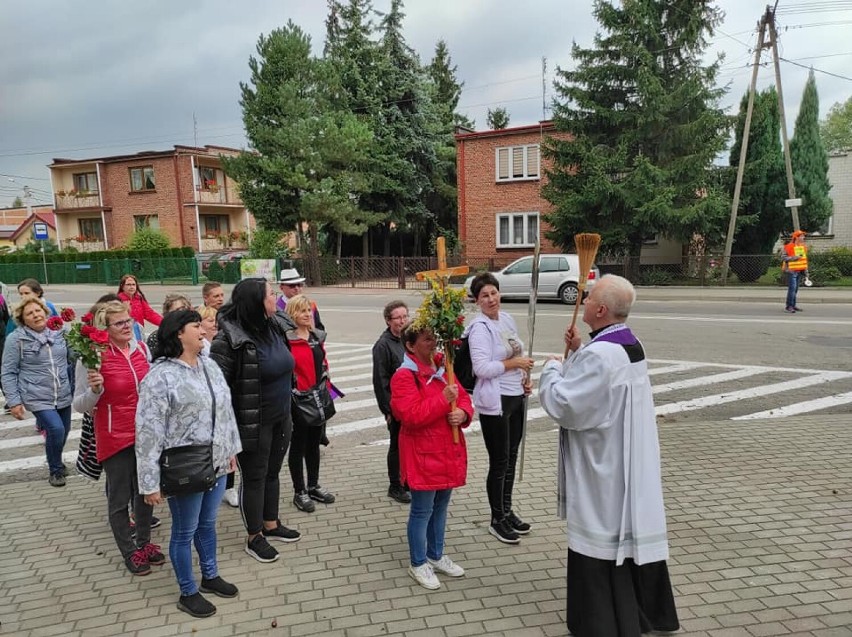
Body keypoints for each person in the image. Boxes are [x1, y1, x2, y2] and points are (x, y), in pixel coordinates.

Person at [538, 275, 679, 636]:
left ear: (600, 309)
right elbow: (598, 385)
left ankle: (600, 623)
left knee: (600, 535)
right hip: (627, 455)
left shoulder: (600, 355)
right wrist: (580, 349)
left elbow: (567, 404)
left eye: (588, 299)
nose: (582, 302)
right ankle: (643, 614)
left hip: (603, 463)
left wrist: (552, 368)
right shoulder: (629, 342)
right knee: (626, 535)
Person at [135, 310, 242, 618]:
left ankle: (210, 576)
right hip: (185, 467)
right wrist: (149, 482)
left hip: (217, 461)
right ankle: (187, 591)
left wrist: (231, 449)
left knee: (207, 524)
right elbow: (147, 431)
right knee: (185, 531)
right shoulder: (160, 376)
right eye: (196, 325)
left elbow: (225, 411)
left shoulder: (210, 366)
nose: (203, 328)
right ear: (178, 334)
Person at [210, 278, 301, 564]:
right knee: (255, 476)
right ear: (256, 302)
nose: (276, 298)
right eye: (271, 294)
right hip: (253, 421)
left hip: (281, 415)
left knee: (273, 472)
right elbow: (219, 391)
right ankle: (254, 536)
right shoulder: (228, 339)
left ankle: (270, 523)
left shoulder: (273, 325)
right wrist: (225, 436)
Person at [72, 300, 162, 576]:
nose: (128, 326)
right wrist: (96, 392)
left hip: (145, 434)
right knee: (120, 498)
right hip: (114, 435)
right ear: (105, 328)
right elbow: (79, 404)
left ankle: (144, 543)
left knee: (146, 491)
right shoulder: (92, 357)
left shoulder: (141, 348)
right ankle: (129, 551)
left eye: (129, 320)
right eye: (120, 323)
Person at [390, 323, 473, 591]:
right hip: (423, 454)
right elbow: (410, 416)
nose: (433, 344)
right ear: (411, 346)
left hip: (447, 449)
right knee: (422, 510)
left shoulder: (443, 365)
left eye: (433, 338)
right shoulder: (404, 376)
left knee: (441, 507)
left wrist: (463, 413)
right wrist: (443, 400)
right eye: (426, 340)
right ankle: (418, 562)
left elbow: (462, 397)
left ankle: (436, 555)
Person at [465, 273, 535, 545]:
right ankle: (496, 519)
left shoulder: (506, 319)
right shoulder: (479, 329)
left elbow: (518, 351)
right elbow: (481, 368)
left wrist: (524, 380)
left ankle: (507, 510)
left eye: (494, 293)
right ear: (476, 300)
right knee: (499, 462)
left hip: (516, 396)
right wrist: (514, 365)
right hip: (495, 402)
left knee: (512, 457)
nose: (491, 299)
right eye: (485, 295)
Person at [1, 298, 73, 487]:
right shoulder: (16, 339)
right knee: (55, 430)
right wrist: (14, 400)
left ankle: (56, 459)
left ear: (45, 312)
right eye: (30, 313)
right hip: (36, 394)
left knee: (64, 432)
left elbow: (75, 356)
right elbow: (8, 371)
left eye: (38, 310)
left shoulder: (60, 333)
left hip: (62, 392)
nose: (36, 315)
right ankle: (55, 470)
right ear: (23, 320)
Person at [284, 295, 336, 513]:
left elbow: (322, 363)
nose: (307, 314)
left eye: (309, 310)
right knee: (298, 446)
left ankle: (313, 485)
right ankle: (300, 491)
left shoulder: (316, 336)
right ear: (292, 313)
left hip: (317, 398)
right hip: (297, 399)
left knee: (314, 444)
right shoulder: (287, 339)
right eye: (302, 311)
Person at [371, 301, 411, 504]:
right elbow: (380, 381)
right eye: (398, 318)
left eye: (405, 316)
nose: (403, 321)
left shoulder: (407, 340)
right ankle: (395, 485)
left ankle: (406, 480)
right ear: (388, 321)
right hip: (395, 406)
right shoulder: (383, 345)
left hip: (411, 404)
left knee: (408, 444)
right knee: (396, 444)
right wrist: (388, 410)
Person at [199, 303, 237, 507]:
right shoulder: (201, 349)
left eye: (215, 320)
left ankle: (228, 487)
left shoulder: (221, 343)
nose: (214, 325)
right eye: (208, 320)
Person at [782, 230, 809, 313]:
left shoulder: (803, 247)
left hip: (799, 271)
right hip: (791, 271)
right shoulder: (789, 246)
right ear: (796, 237)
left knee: (795, 289)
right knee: (792, 289)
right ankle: (789, 306)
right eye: (801, 236)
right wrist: (794, 257)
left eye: (803, 236)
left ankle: (793, 305)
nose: (803, 237)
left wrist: (806, 272)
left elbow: (804, 260)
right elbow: (783, 257)